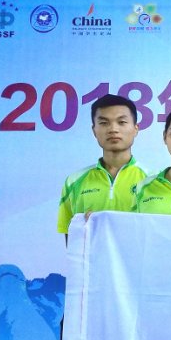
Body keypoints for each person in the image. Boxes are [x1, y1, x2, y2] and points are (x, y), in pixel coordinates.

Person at [57, 94, 148, 243]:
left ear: (135, 129)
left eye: (122, 122)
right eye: (104, 123)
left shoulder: (154, 180)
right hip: (92, 259)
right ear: (94, 130)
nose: (113, 129)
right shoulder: (73, 182)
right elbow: (71, 237)